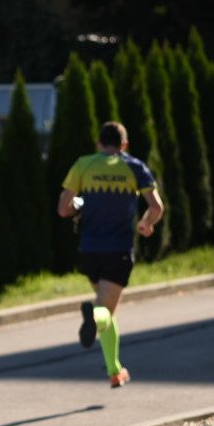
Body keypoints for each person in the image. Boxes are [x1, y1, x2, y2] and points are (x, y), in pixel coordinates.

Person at [57, 121, 164, 388]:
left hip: (89, 251)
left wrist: (81, 206)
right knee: (104, 310)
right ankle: (94, 317)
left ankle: (115, 371)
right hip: (118, 249)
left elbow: (63, 208)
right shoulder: (135, 166)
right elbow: (156, 207)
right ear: (124, 144)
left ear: (99, 144)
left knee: (107, 308)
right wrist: (146, 224)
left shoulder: (84, 164)